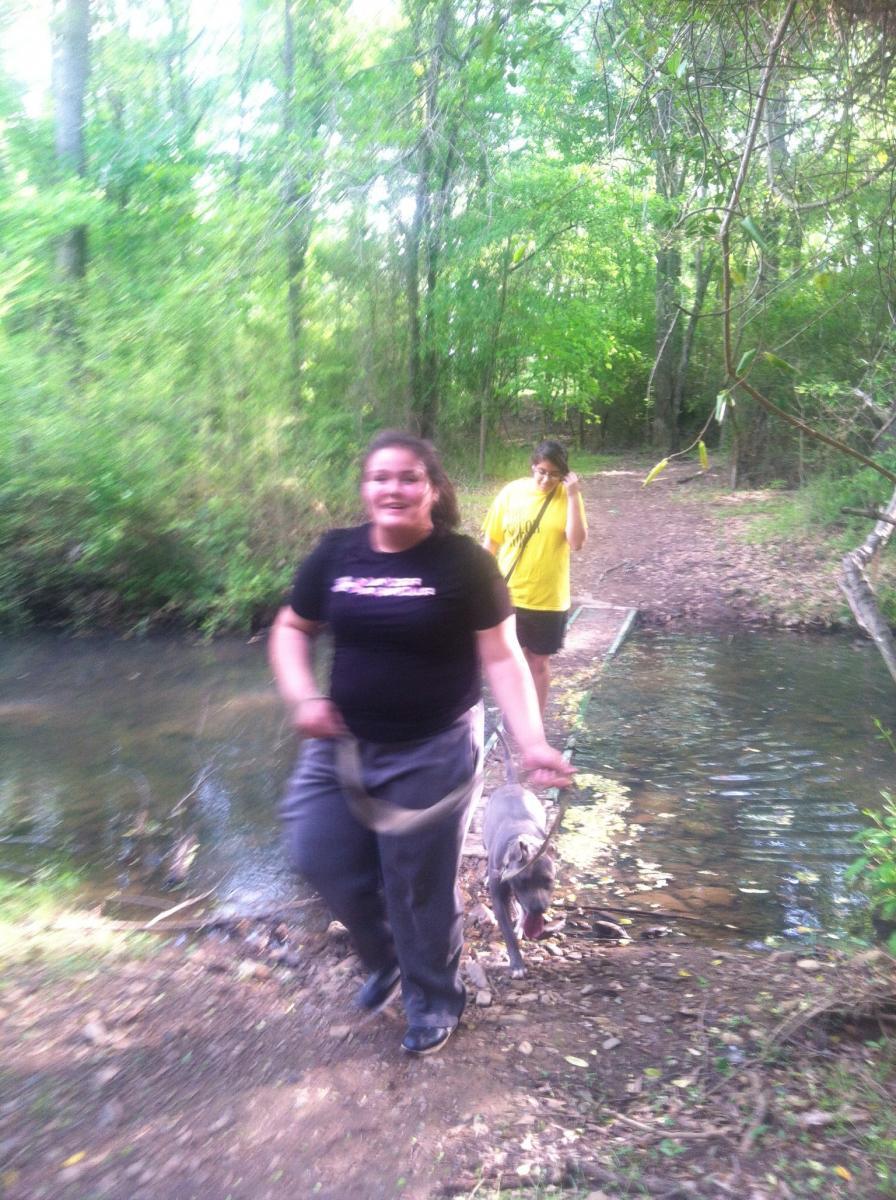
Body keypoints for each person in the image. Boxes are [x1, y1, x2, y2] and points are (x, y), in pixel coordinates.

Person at [268, 430, 573, 1057]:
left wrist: (533, 741)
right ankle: (384, 956)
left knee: (418, 885)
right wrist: (303, 698)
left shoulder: (464, 564)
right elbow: (291, 628)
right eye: (380, 477)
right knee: (317, 851)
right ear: (365, 488)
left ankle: (433, 996)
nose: (394, 488)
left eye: (409, 477)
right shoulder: (336, 554)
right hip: (342, 743)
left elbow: (504, 657)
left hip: (433, 748)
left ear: (432, 489)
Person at [482, 440, 587, 713]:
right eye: (541, 471)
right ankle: (513, 716)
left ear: (564, 474)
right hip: (509, 594)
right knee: (509, 660)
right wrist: (480, 581)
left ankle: (535, 724)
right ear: (533, 467)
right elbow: (491, 541)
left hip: (548, 598)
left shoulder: (567, 497)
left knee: (538, 663)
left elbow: (576, 542)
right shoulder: (511, 493)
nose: (546, 479)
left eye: (554, 474)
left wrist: (573, 495)